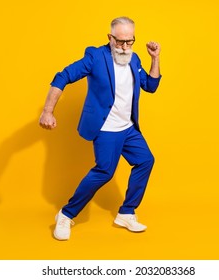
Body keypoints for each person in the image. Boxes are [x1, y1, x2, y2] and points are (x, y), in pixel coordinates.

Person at [39, 16, 161, 240]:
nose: (125, 47)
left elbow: (151, 86)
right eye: (120, 41)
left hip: (129, 128)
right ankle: (66, 214)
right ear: (110, 37)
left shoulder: (134, 59)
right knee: (105, 171)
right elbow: (63, 76)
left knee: (145, 160)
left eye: (130, 41)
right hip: (106, 128)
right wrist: (48, 110)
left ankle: (126, 212)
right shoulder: (95, 57)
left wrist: (155, 59)